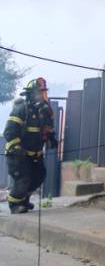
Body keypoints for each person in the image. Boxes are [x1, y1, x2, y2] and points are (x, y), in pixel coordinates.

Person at [4, 77, 57, 214]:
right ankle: (14, 204)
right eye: (39, 93)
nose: (42, 96)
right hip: (18, 155)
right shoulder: (22, 109)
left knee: (38, 176)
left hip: (35, 154)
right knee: (23, 179)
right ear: (31, 94)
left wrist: (51, 138)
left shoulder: (42, 112)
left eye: (43, 92)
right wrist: (17, 148)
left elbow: (47, 128)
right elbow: (9, 132)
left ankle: (23, 200)